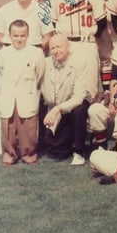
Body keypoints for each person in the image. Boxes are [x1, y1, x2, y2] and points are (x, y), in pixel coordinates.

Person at [40, 33, 99, 166]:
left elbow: (78, 97)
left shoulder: (79, 63)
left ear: (68, 47)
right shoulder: (45, 63)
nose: (56, 51)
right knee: (57, 153)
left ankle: (79, 151)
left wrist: (58, 109)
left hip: (73, 104)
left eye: (59, 47)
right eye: (52, 48)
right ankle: (40, 142)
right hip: (54, 105)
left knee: (79, 110)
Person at [49, 0, 107, 84]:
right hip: (65, 45)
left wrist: (89, 37)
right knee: (64, 88)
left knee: (88, 89)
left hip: (86, 44)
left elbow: (102, 23)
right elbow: (53, 23)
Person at [0, 19, 45, 165]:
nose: (19, 39)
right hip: (8, 94)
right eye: (15, 36)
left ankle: (29, 155)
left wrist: (31, 90)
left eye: (22, 36)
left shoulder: (36, 53)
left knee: (28, 127)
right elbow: (1, 73)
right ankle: (9, 155)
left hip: (27, 93)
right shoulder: (3, 53)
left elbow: (39, 74)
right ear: (10, 36)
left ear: (28, 35)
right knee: (8, 126)